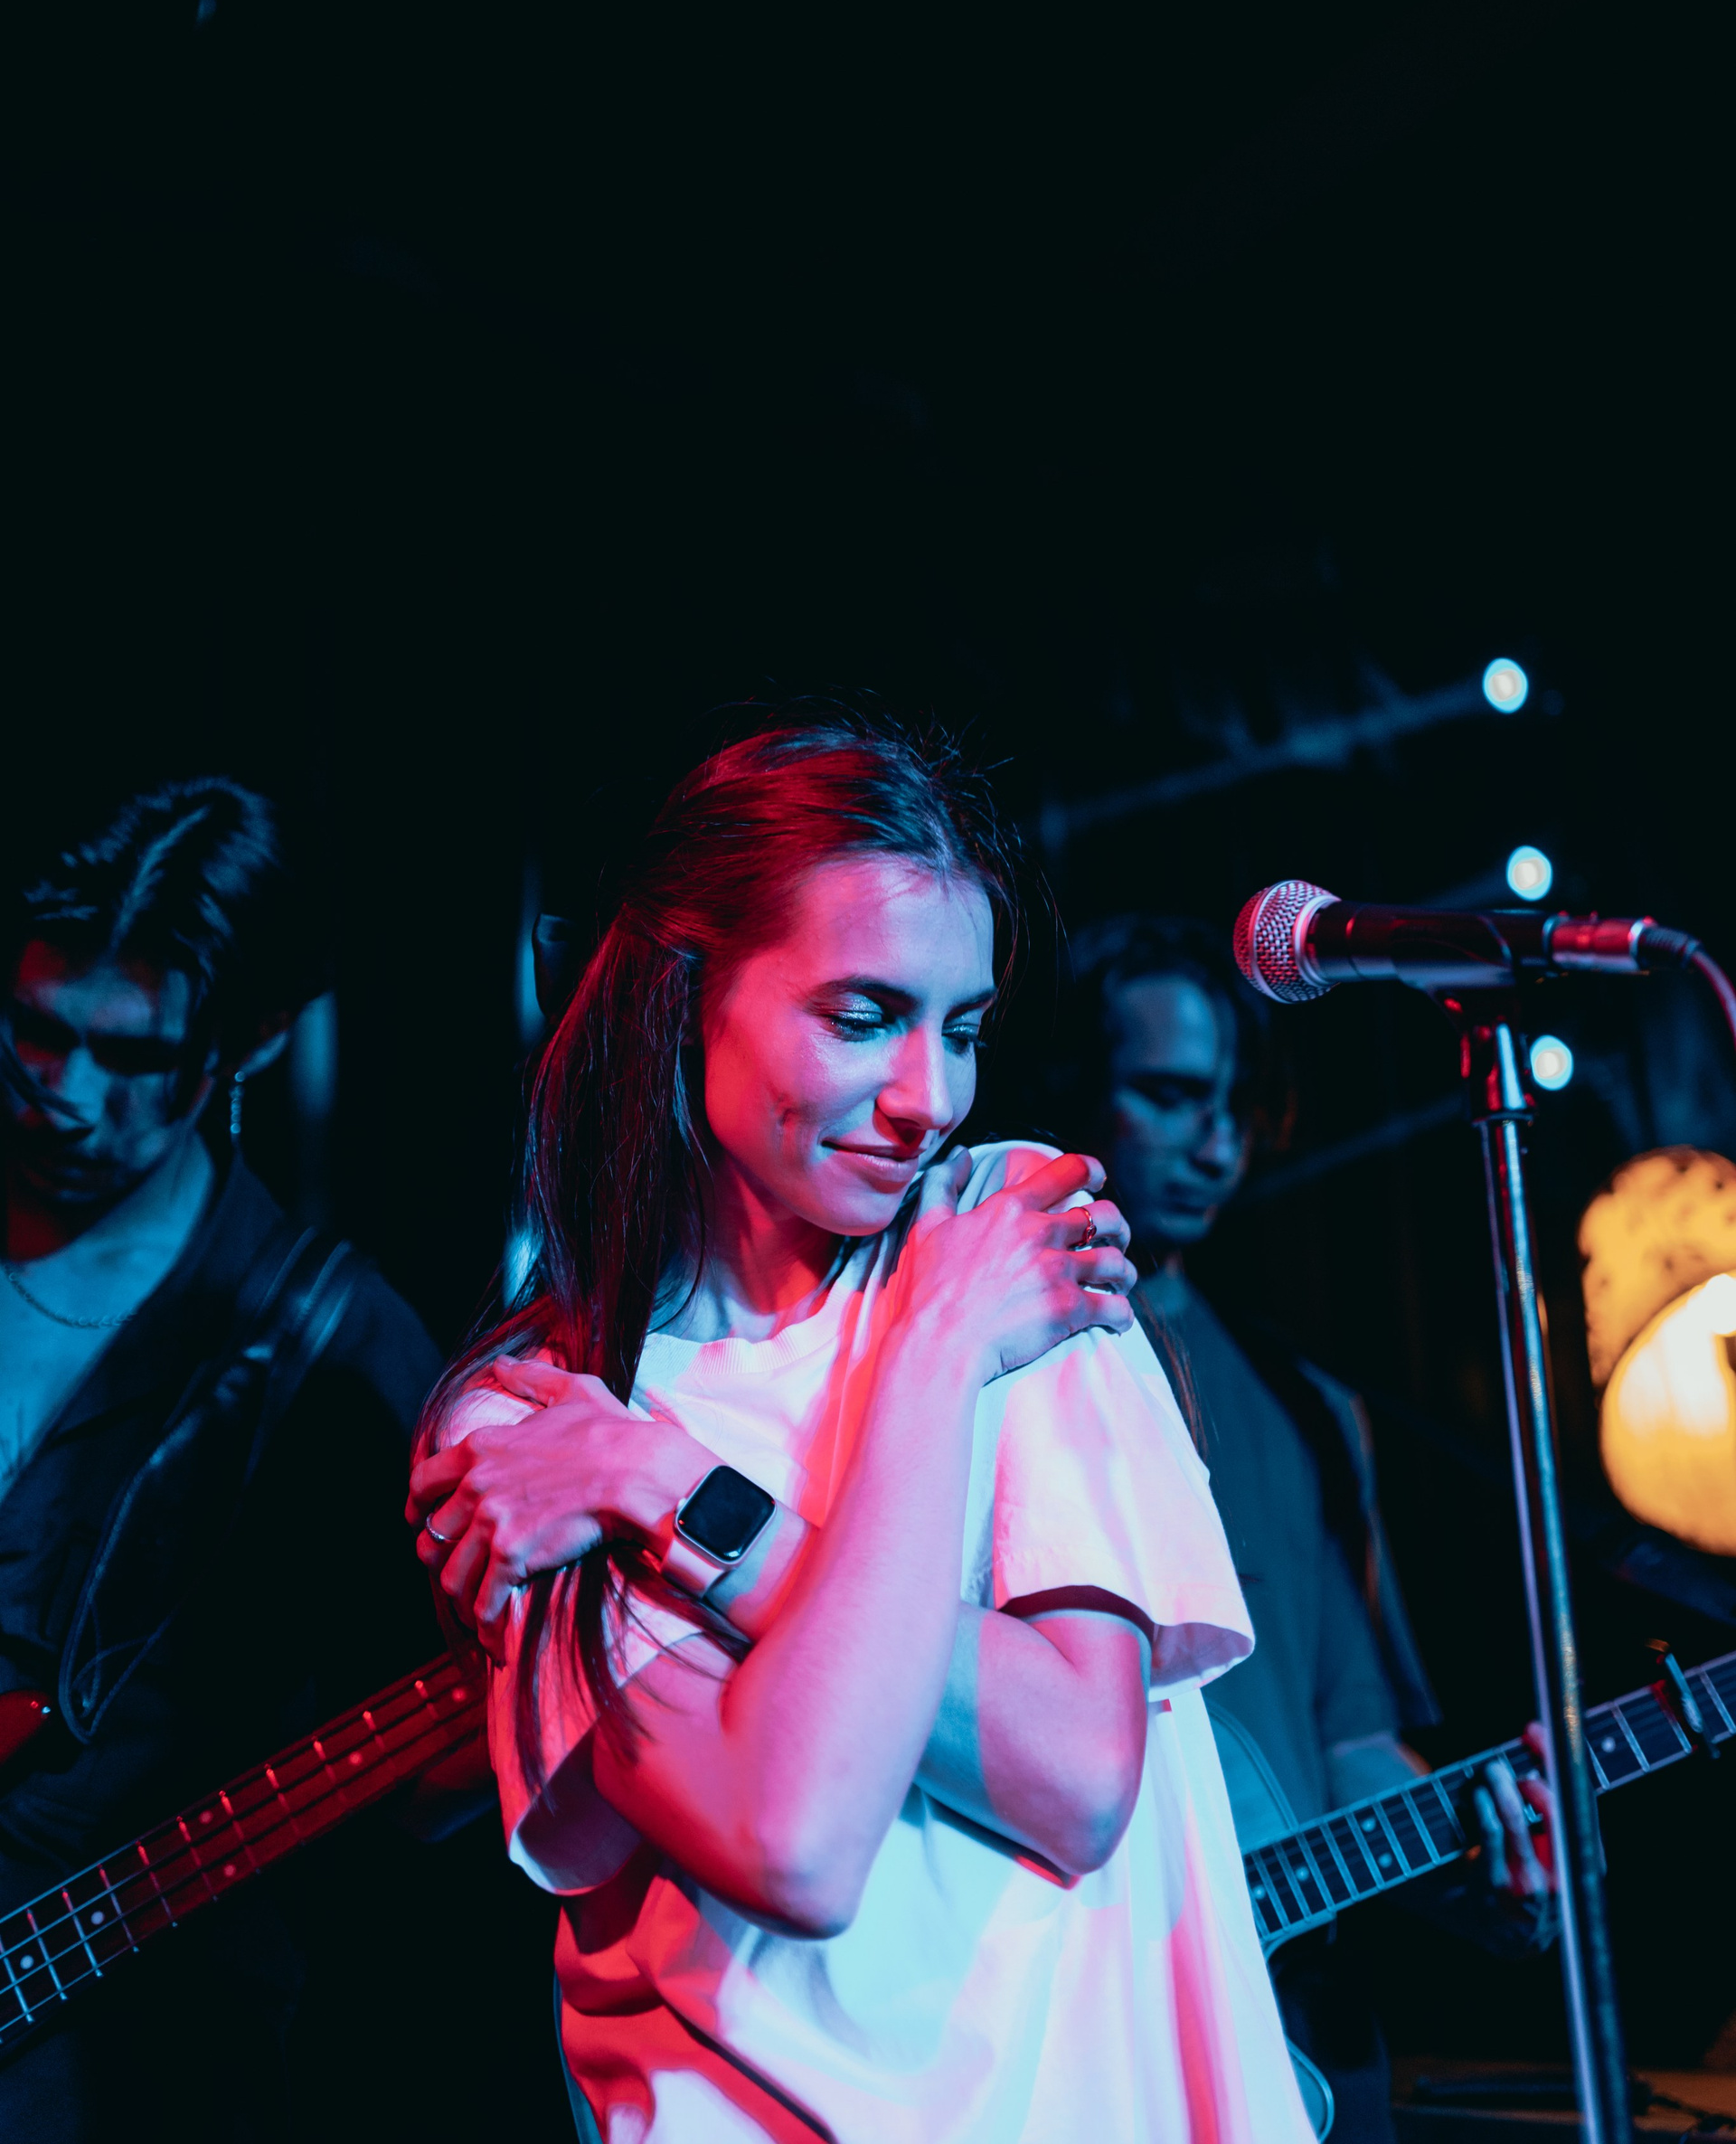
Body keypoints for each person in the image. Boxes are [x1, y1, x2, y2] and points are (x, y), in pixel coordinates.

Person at [409, 714, 1316, 2142]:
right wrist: (936, 1366)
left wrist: (678, 1488)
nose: (929, 1098)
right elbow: (798, 1838)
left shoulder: (1002, 1234)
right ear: (685, 997)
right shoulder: (539, 1413)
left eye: (962, 1028)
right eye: (862, 1016)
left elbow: (1079, 1771)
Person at [1031, 911, 1557, 2144]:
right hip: (1082, 2040)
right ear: (1074, 1091)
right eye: (1171, 1096)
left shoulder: (1314, 1411)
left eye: (1235, 1106)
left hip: (1304, 2039)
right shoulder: (1007, 1360)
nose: (1217, 1143)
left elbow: (1348, 1742)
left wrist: (1490, 1863)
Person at [0, 779, 442, 2144]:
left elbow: (427, 1776)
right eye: (35, 1032)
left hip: (120, 2060)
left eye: (135, 1056)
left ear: (250, 1043)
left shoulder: (335, 1347)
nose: (68, 1096)